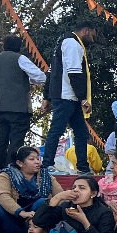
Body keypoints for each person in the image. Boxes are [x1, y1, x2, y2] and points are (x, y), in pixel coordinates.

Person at [41, 21, 99, 174]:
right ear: (86, 30)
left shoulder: (62, 43)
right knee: (57, 130)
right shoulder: (73, 44)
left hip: (69, 96)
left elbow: (51, 72)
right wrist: (83, 98)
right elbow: (75, 73)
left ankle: (83, 167)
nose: (93, 39)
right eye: (93, 35)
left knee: (81, 133)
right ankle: (46, 165)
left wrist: (46, 97)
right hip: (66, 95)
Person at [0, 36, 47, 171]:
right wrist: (27, 81)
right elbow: (40, 77)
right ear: (18, 46)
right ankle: (10, 169)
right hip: (19, 107)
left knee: (1, 140)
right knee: (16, 141)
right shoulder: (19, 58)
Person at [30, 173, 116, 233]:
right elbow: (38, 221)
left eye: (82, 188)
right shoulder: (66, 207)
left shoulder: (104, 212)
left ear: (93, 194)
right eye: (74, 187)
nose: (76, 190)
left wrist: (84, 222)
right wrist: (57, 198)